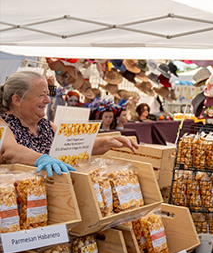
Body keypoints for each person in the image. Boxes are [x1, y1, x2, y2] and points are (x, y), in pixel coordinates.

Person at [0, 71, 138, 176]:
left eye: (48, 94)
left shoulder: (45, 125)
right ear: (17, 100)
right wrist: (42, 159)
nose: (48, 100)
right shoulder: (3, 123)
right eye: (42, 95)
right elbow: (10, 151)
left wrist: (107, 141)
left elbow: (75, 145)